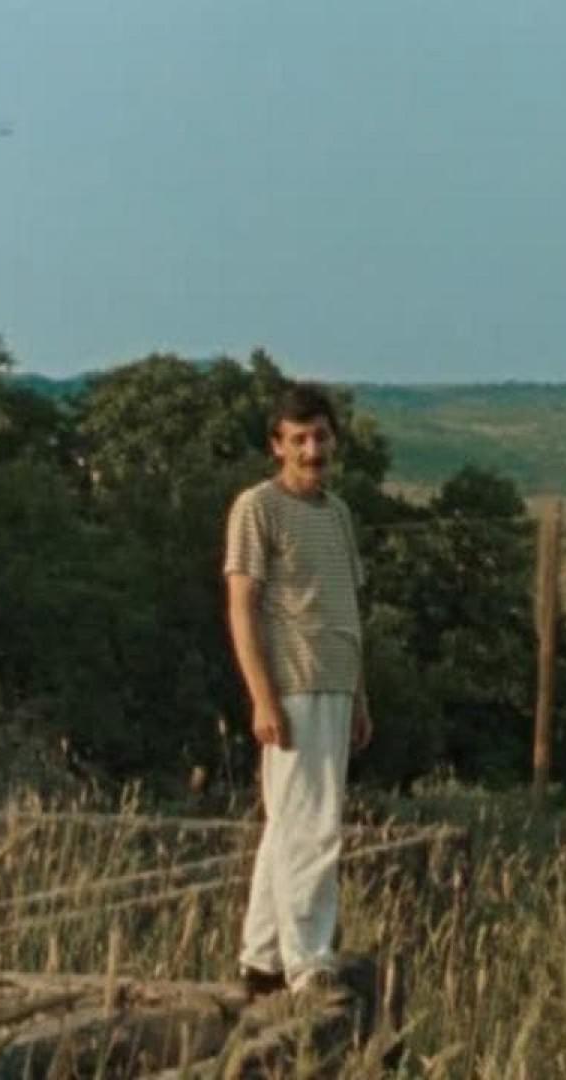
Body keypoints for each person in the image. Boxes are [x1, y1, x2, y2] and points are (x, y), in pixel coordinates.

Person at [224, 383, 373, 999]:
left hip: (335, 681)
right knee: (312, 826)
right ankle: (308, 960)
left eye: (321, 437)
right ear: (277, 445)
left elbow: (346, 609)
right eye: (299, 439)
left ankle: (261, 958)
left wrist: (360, 695)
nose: (313, 451)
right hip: (292, 684)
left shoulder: (337, 514)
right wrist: (262, 696)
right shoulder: (257, 507)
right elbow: (242, 606)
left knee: (289, 822)